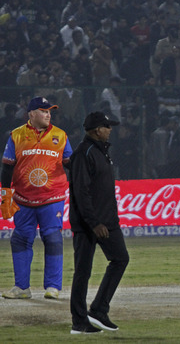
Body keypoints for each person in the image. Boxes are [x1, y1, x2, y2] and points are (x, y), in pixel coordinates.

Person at [1, 97, 72, 300]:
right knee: (20, 239)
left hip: (52, 197)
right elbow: (7, 167)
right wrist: (5, 194)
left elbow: (70, 163)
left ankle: (52, 287)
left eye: (50, 111)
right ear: (32, 114)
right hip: (23, 198)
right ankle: (22, 288)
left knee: (52, 238)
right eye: (44, 111)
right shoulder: (16, 135)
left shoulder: (60, 135)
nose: (48, 114)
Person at [69, 111, 129, 334]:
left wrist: (108, 219)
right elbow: (81, 193)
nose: (110, 129)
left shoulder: (101, 151)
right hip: (88, 224)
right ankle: (79, 321)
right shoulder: (84, 153)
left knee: (121, 258)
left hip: (107, 221)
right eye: (107, 126)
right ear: (96, 130)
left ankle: (98, 310)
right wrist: (94, 222)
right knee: (82, 272)